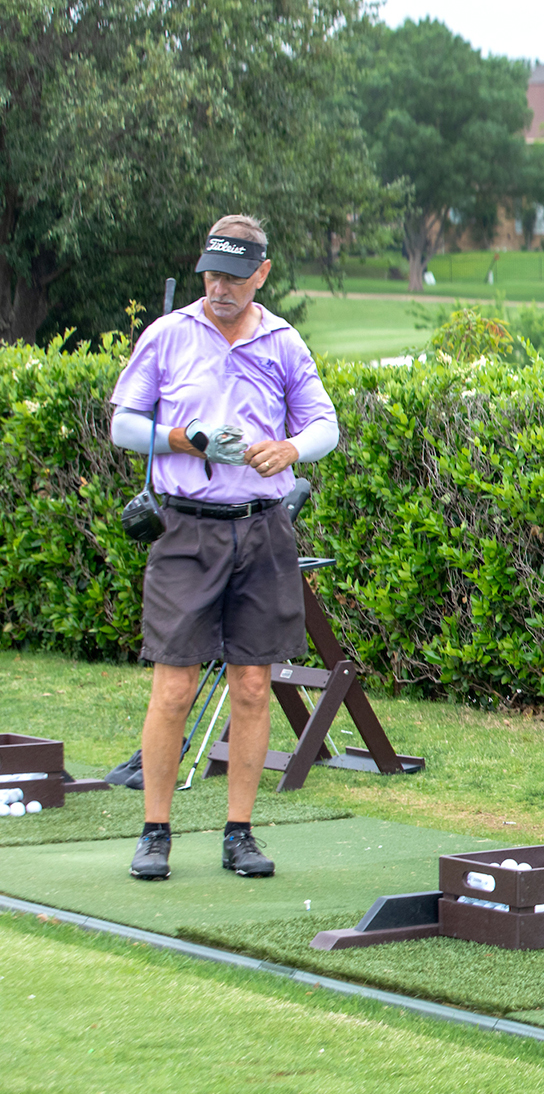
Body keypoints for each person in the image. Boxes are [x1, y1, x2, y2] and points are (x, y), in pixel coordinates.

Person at [109, 215, 339, 881]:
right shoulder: (168, 333)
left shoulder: (283, 341)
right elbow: (125, 424)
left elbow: (325, 425)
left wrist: (290, 449)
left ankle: (239, 834)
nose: (220, 288)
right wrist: (179, 439)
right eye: (212, 274)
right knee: (174, 685)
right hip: (186, 528)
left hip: (263, 528)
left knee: (254, 685)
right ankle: (155, 832)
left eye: (235, 277)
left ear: (261, 274)